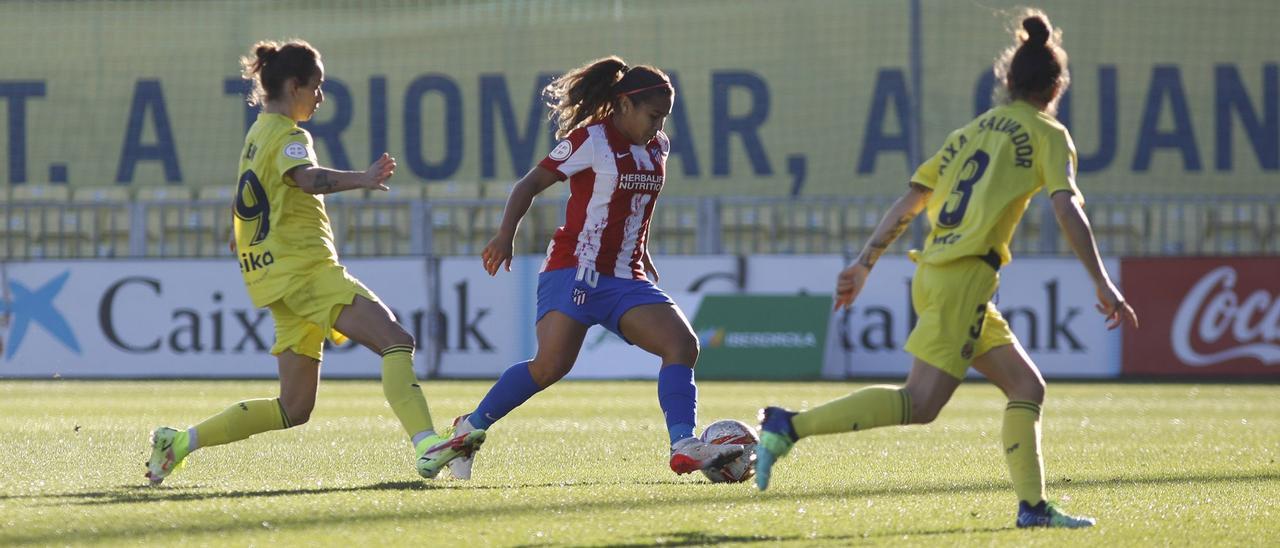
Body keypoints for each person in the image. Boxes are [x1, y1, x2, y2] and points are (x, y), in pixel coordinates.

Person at [754, 11, 1138, 529]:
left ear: (1007, 80)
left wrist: (866, 261)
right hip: (963, 278)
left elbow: (910, 201)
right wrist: (1102, 280)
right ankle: (788, 426)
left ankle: (1033, 508)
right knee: (920, 403)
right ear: (1056, 85)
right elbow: (1067, 208)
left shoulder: (969, 133)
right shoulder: (1048, 133)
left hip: (944, 274)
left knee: (1027, 387)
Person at [144, 39, 482, 485]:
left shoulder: (256, 135)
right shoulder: (288, 135)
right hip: (306, 272)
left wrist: (242, 236)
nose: (320, 97)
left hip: (277, 280)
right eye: (317, 86)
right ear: (293, 85)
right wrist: (361, 178)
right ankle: (425, 447)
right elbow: (304, 179)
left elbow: (252, 196)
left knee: (294, 408)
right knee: (396, 340)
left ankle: (178, 442)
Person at [443, 55, 744, 480]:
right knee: (550, 366)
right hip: (573, 269)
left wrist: (640, 248)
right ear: (624, 104)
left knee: (682, 345)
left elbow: (639, 203)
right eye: (652, 116)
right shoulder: (591, 140)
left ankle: (683, 444)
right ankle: (468, 429)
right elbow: (528, 184)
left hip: (624, 275)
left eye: (664, 119)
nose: (658, 127)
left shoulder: (658, 146)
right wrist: (504, 235)